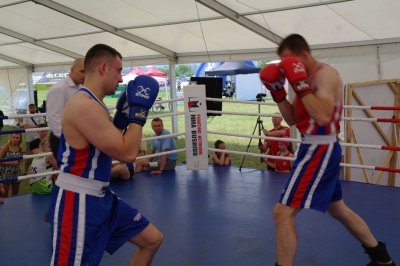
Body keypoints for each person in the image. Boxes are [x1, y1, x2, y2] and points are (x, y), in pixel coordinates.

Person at [260, 33, 395, 266]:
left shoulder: (325, 76)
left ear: (304, 55)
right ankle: (382, 260)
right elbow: (292, 119)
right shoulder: (299, 78)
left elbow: (322, 116)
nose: (285, 68)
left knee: (282, 213)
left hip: (320, 149)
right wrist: (278, 93)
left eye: (288, 62)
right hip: (310, 146)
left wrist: (300, 84)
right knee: (338, 210)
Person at [49, 44, 163, 266]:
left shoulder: (95, 104)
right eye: (118, 70)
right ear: (103, 67)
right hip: (78, 201)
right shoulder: (84, 106)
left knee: (152, 240)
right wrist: (138, 114)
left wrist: (121, 120)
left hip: (101, 196)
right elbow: (129, 154)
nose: (121, 79)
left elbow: (108, 147)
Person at [46, 58, 85, 158]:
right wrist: (68, 139)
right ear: (72, 70)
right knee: (68, 171)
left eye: (87, 72)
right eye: (82, 71)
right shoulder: (59, 88)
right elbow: (54, 117)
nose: (84, 75)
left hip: (75, 138)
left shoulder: (81, 88)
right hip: (62, 140)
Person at [22, 103, 45, 175]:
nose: (32, 109)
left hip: (39, 138)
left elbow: (42, 126)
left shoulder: (40, 115)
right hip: (30, 139)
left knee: (40, 155)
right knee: (28, 157)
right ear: (29, 109)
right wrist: (36, 127)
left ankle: (40, 170)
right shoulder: (26, 116)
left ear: (36, 108)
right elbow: (25, 127)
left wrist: (32, 127)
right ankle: (25, 172)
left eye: (33, 107)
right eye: (31, 108)